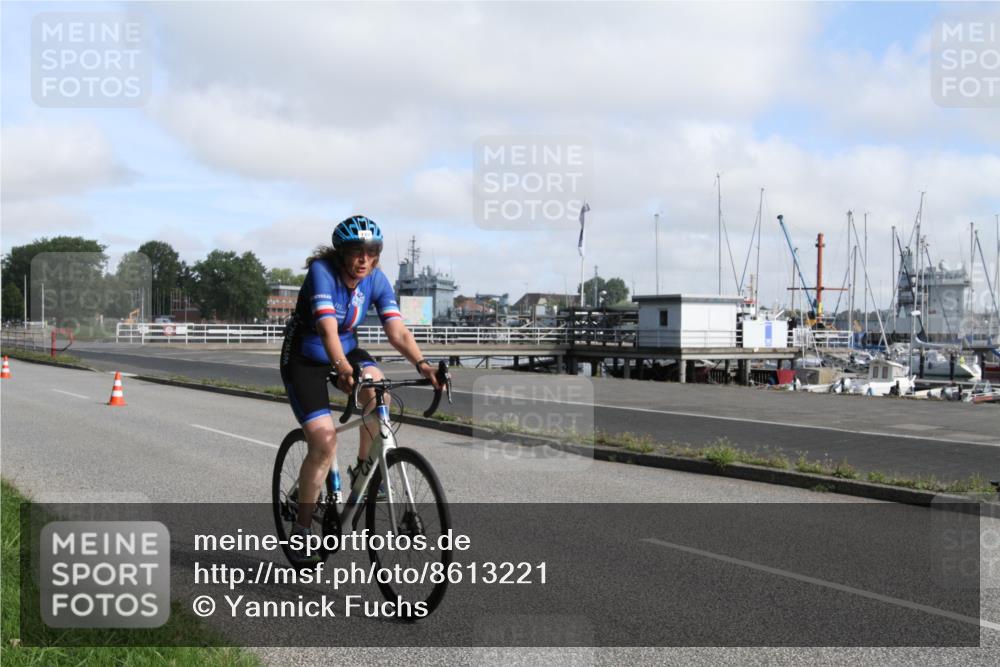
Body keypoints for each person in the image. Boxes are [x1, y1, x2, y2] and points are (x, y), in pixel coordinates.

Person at [280, 215, 440, 562]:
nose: (364, 259)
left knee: (378, 387)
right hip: (306, 357)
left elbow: (397, 333)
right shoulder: (322, 272)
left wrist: (423, 365)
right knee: (324, 442)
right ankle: (302, 529)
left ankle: (363, 470)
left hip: (348, 350)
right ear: (342, 254)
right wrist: (341, 370)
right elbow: (326, 331)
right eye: (356, 252)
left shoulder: (377, 280)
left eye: (372, 252)